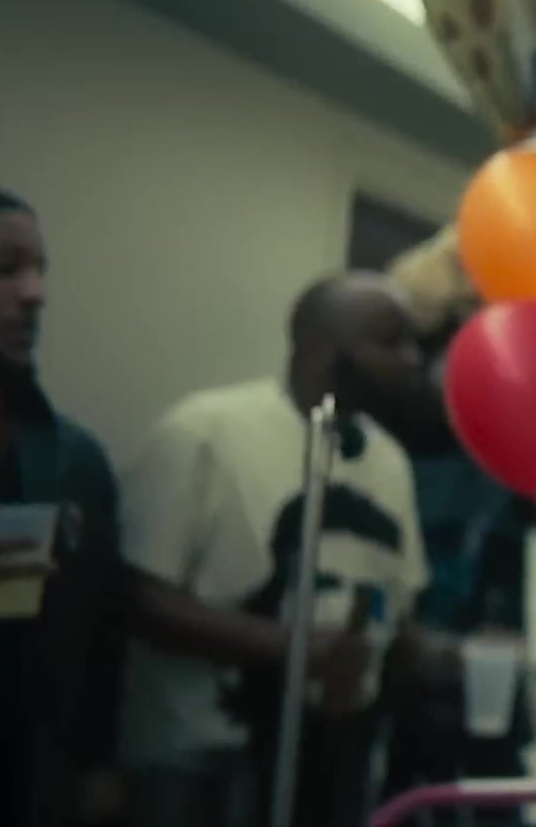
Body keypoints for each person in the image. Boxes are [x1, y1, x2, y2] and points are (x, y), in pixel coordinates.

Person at [115, 272, 453, 827]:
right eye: (390, 342)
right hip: (202, 764)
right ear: (320, 348)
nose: (413, 360)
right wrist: (290, 649)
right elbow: (136, 595)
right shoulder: (205, 431)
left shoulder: (388, 460)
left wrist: (439, 653)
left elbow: (398, 605)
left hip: (335, 759)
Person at [376, 241, 536, 824]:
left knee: (493, 790)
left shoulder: (517, 406)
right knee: (393, 792)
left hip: (489, 654)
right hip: (394, 655)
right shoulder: (389, 426)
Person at [0, 182, 125, 827]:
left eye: (40, 270)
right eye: (5, 268)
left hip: (28, 787)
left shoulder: (75, 459)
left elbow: (102, 625)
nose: (35, 293)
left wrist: (98, 766)